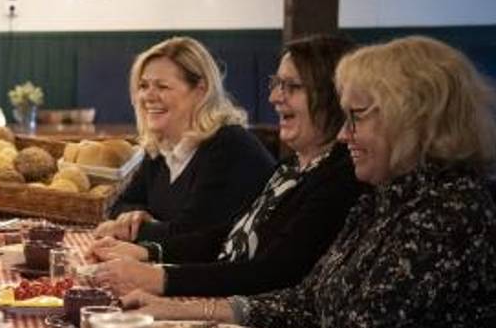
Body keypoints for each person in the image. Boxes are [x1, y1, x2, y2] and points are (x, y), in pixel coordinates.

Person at [128, 36, 496, 328]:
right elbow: (308, 301)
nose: (345, 136)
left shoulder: (449, 215)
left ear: (414, 120)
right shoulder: (385, 199)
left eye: (358, 117)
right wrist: (189, 315)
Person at [89, 35, 366, 296]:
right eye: (277, 84)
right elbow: (227, 234)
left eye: (291, 87)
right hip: (224, 292)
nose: (274, 98)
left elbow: (271, 273)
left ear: (333, 96)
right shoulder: (292, 168)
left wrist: (157, 275)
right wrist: (150, 252)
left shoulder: (337, 175)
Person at [95, 36, 276, 242]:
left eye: (162, 86)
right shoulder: (160, 149)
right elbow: (121, 205)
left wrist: (126, 230)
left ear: (201, 90)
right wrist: (135, 217)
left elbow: (191, 237)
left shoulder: (228, 145)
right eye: (143, 86)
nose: (148, 96)